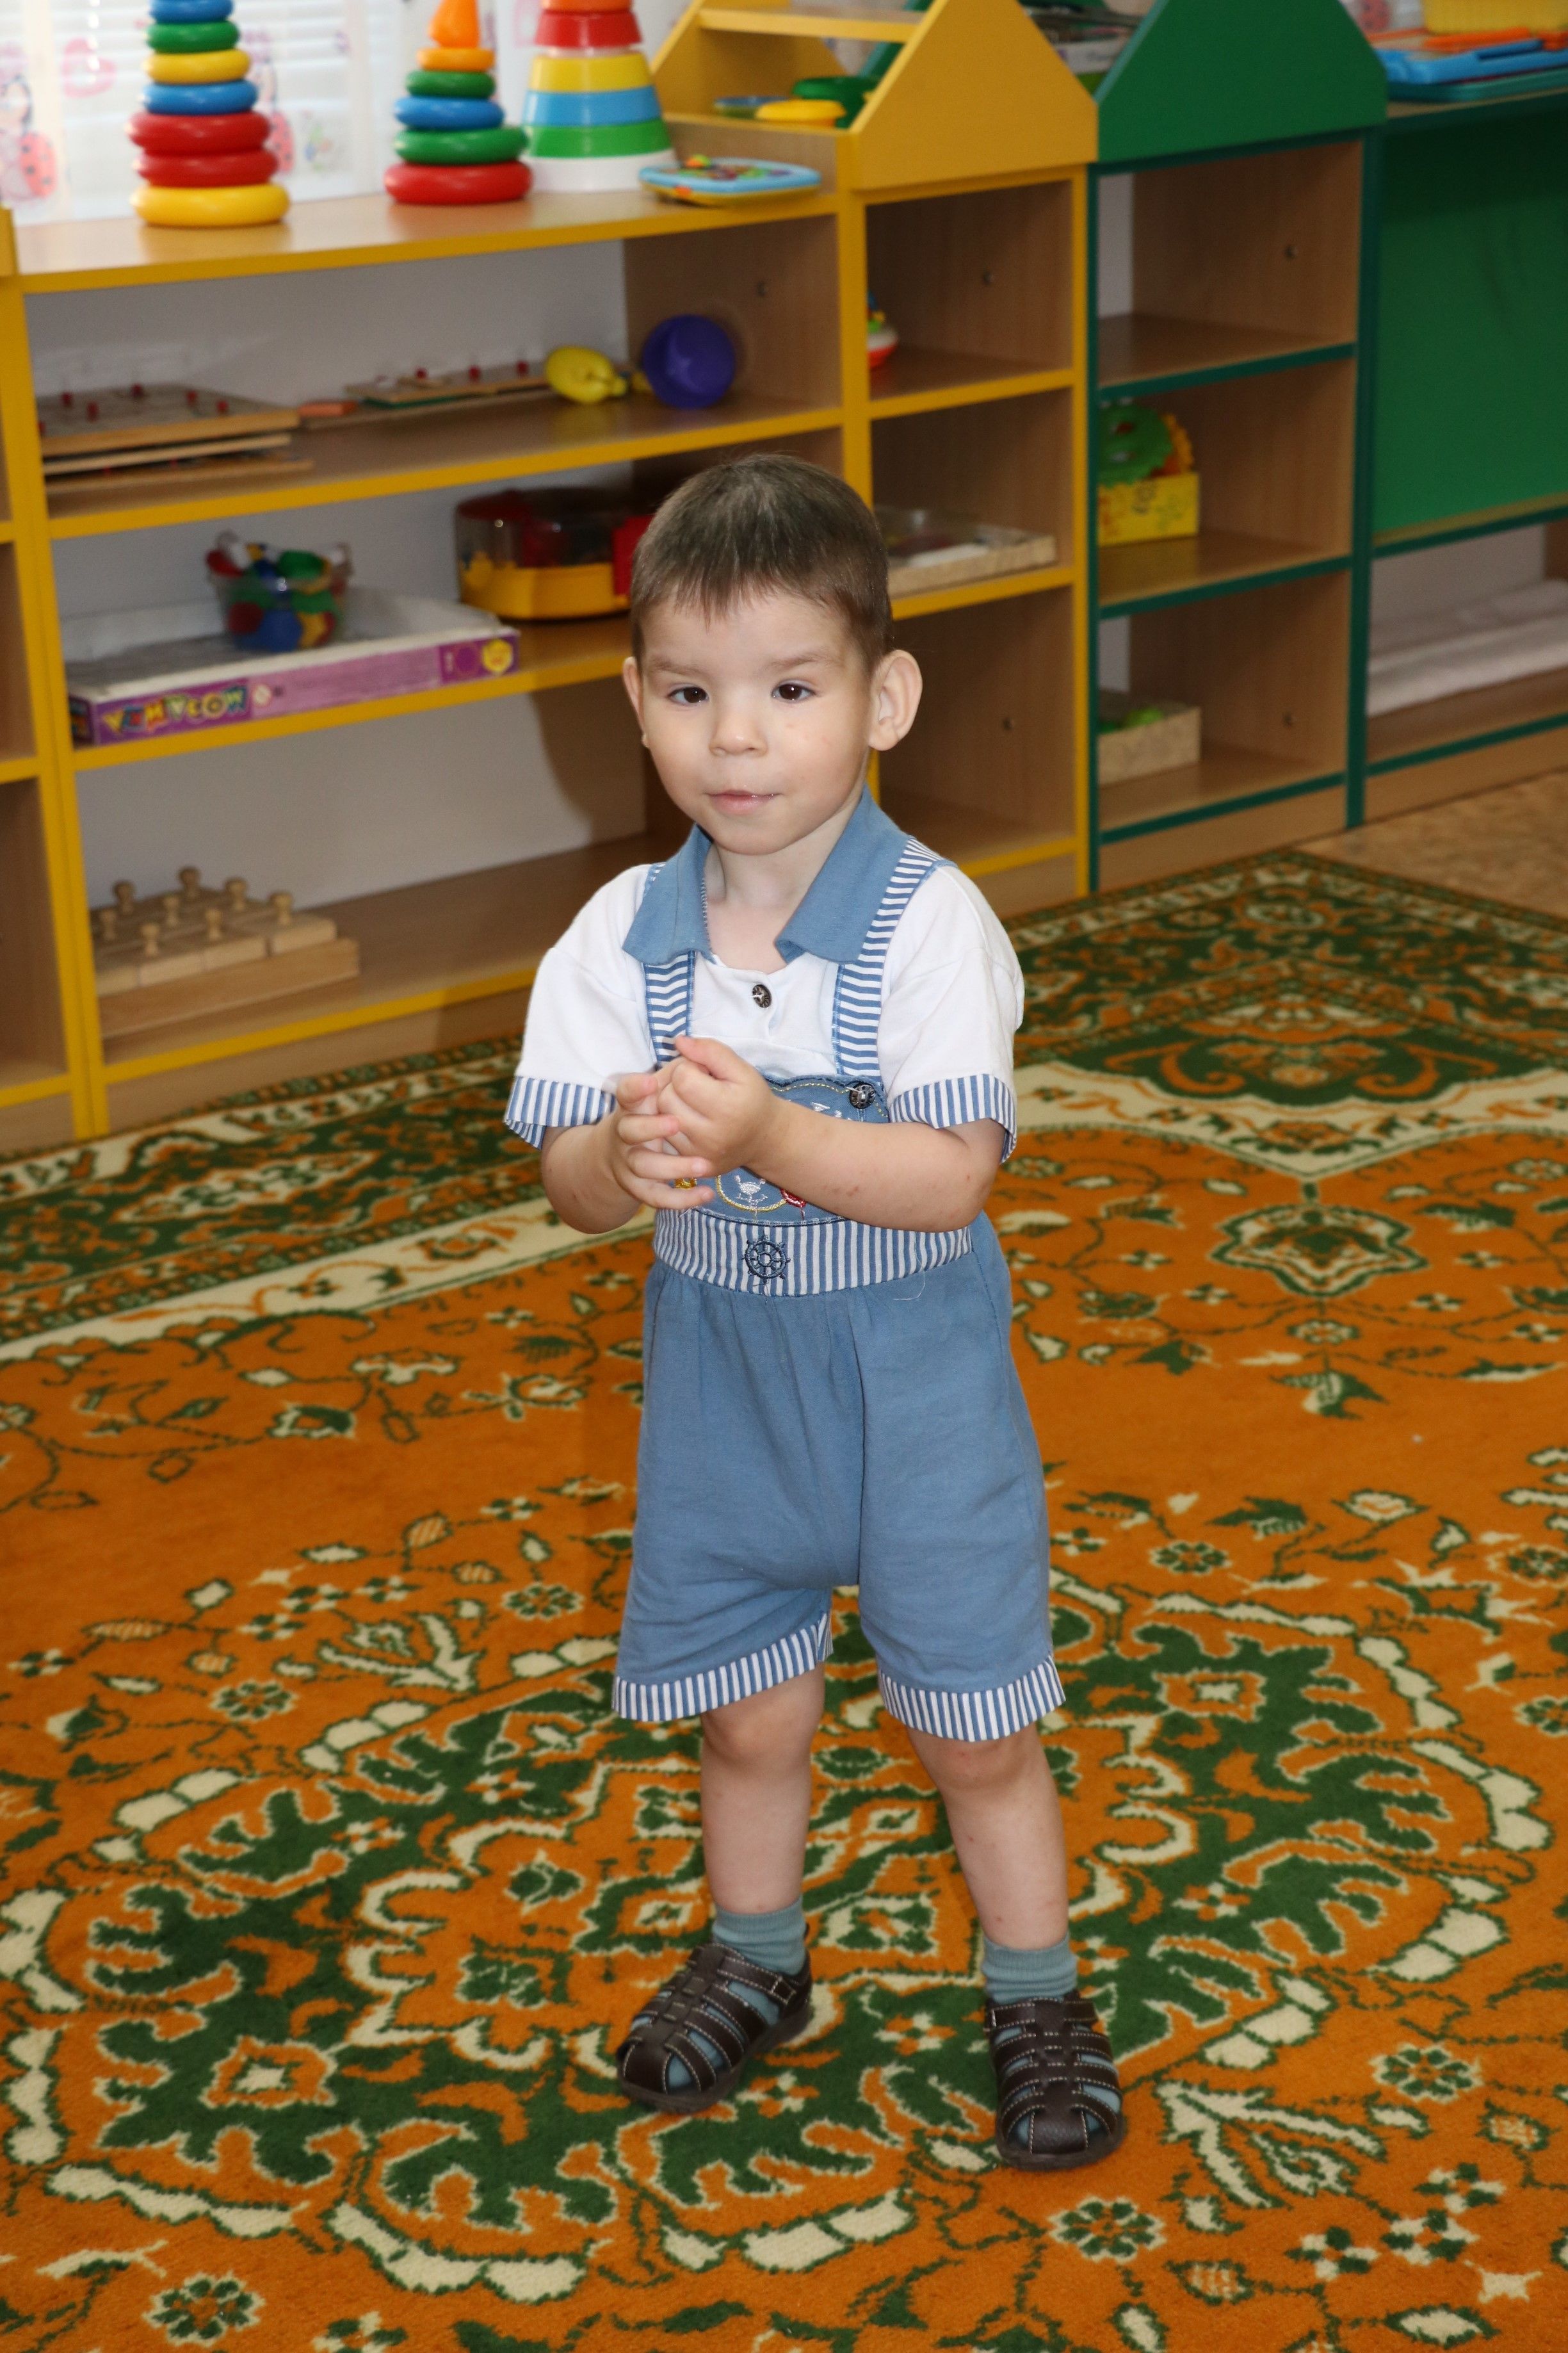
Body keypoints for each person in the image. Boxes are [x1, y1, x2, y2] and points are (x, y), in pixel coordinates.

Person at [507, 454, 1123, 2169]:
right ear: (635, 700)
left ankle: (1037, 1994)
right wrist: (619, 1159)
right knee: (749, 1708)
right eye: (689, 692)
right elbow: (566, 1184)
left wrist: (772, 1134)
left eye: (789, 689)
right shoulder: (616, 938)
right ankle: (757, 1955)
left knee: (973, 1728)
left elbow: (950, 1178)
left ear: (882, 698)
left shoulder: (930, 924)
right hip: (724, 1394)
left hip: (913, 1390)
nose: (737, 739)